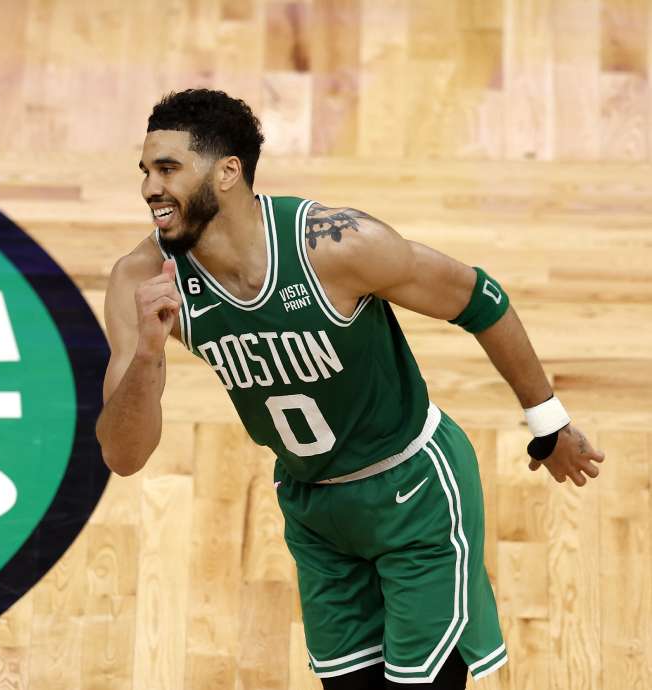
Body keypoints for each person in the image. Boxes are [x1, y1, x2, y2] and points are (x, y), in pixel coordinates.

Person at [95, 89, 605, 689]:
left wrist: (548, 425)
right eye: (146, 171)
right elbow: (123, 457)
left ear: (228, 171)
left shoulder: (334, 245)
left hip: (413, 489)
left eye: (168, 168)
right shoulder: (142, 280)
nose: (150, 187)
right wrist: (150, 358)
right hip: (314, 508)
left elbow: (480, 299)